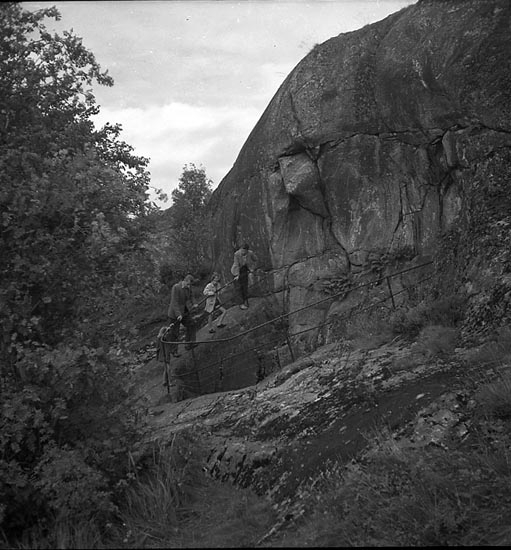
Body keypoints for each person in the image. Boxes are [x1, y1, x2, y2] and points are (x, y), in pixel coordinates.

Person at [167, 273, 197, 357]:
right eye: (188, 284)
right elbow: (174, 302)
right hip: (174, 314)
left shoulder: (189, 288)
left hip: (184, 311)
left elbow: (192, 296)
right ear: (185, 281)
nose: (189, 286)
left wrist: (194, 303)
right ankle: (174, 351)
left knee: (191, 324)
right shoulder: (176, 287)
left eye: (190, 285)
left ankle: (189, 343)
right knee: (174, 332)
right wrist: (178, 314)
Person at [231, 243, 257, 309]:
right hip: (237, 270)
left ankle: (245, 300)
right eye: (241, 250)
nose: (242, 252)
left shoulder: (250, 253)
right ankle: (241, 303)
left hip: (245, 269)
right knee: (238, 287)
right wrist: (237, 275)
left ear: (247, 251)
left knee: (245, 286)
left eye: (244, 251)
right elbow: (236, 264)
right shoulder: (236, 254)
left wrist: (252, 268)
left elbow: (255, 259)